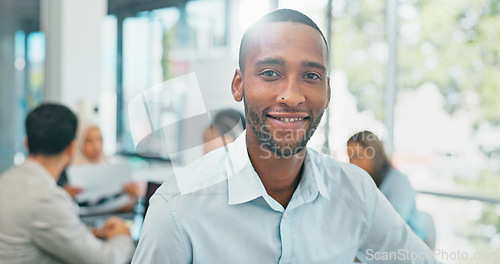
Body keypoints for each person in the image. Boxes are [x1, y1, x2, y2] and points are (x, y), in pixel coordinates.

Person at [132, 9, 437, 263]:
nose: (292, 96)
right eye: (269, 73)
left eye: (311, 76)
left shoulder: (355, 192)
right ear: (238, 85)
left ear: (327, 92)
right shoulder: (178, 208)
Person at [0, 103, 134, 264]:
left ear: (26, 143)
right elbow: (105, 260)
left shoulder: (6, 180)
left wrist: (94, 233)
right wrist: (122, 235)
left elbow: (45, 229)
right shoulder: (46, 198)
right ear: (71, 148)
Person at [347, 130, 428, 242]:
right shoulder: (363, 181)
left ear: (375, 156)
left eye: (359, 156)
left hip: (407, 247)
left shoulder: (398, 181)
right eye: (350, 157)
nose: (353, 163)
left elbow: (392, 226)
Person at [58, 120, 141, 212]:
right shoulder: (66, 172)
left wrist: (132, 196)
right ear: (79, 142)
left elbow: (125, 206)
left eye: (100, 139)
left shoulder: (113, 170)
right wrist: (65, 196)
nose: (96, 146)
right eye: (89, 141)